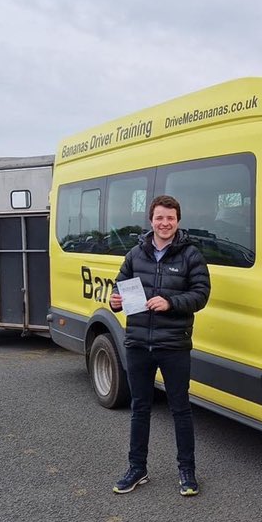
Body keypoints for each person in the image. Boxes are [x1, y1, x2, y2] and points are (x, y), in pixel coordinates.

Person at [109, 195, 211, 497]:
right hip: (138, 343)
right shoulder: (135, 254)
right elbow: (119, 287)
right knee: (140, 407)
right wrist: (114, 301)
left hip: (173, 344)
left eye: (170, 218)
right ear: (150, 220)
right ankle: (137, 468)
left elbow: (201, 294)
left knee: (180, 408)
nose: (164, 223)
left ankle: (187, 470)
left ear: (177, 221)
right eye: (159, 218)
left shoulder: (190, 255)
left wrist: (171, 302)